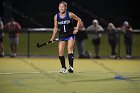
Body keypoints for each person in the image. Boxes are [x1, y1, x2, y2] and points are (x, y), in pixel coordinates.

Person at [50, 1, 81, 73]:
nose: (61, 8)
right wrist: (52, 38)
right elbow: (55, 28)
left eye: (62, 6)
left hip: (70, 35)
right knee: (60, 51)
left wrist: (76, 29)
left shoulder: (70, 14)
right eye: (60, 6)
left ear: (65, 8)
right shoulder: (56, 16)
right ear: (58, 7)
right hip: (62, 36)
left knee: (69, 49)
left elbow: (79, 20)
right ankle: (63, 68)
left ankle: (71, 67)